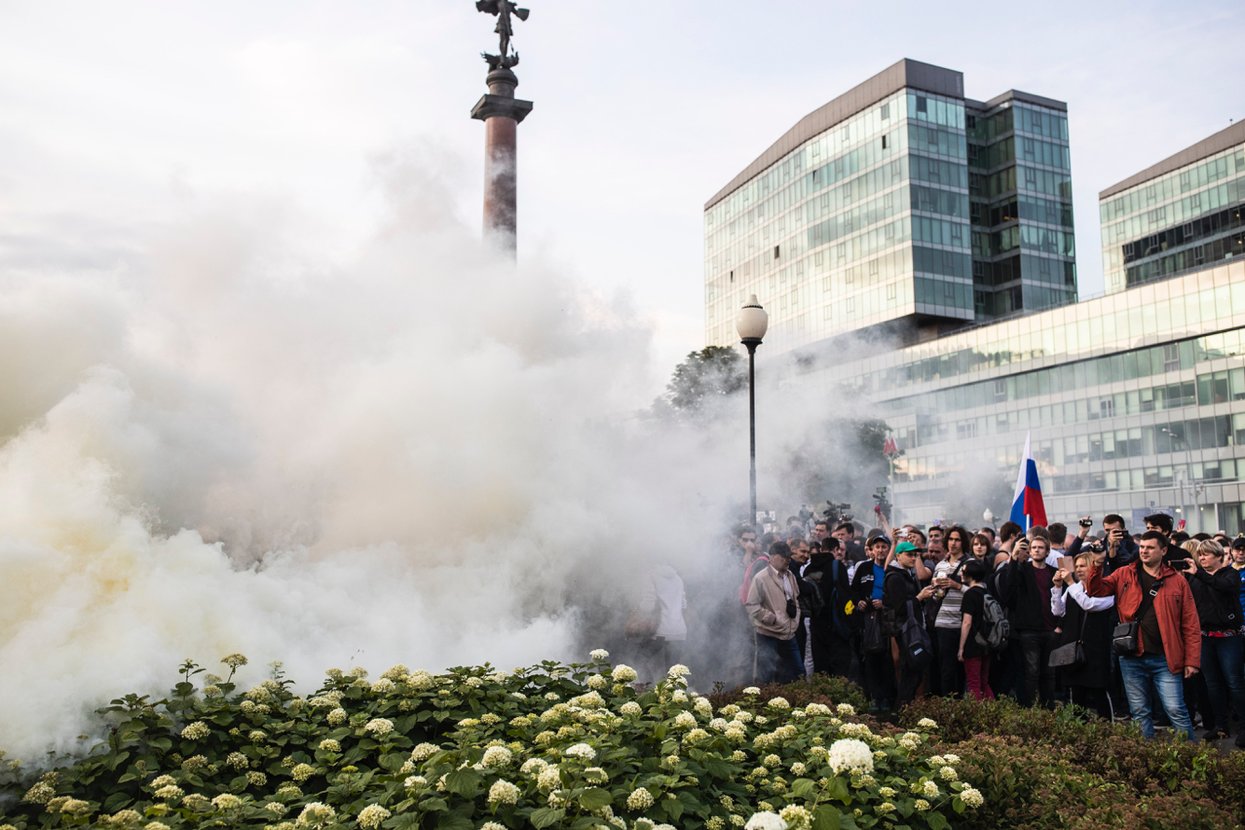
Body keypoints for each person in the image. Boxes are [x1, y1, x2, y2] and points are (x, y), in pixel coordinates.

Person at [1084, 530, 1201, 740]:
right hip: (1131, 657)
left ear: (1163, 550)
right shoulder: (1124, 574)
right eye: (1142, 547)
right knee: (1140, 713)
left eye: (1150, 547)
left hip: (1166, 657)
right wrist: (1097, 564)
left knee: (1176, 710)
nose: (1144, 551)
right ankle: (1145, 761)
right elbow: (1095, 591)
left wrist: (1192, 660)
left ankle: (1189, 759)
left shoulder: (1177, 580)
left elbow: (1190, 623)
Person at [1178, 539, 1245, 746]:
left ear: (1219, 556)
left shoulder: (1230, 574)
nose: (1202, 558)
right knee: (1212, 684)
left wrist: (1197, 573)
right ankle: (1220, 725)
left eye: (1207, 554)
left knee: (1234, 683)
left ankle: (1243, 727)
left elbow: (1222, 586)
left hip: (1229, 638)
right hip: (1205, 638)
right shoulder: (1195, 579)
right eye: (1200, 554)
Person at [1050, 552, 1116, 717]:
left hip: (1096, 649)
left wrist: (1070, 582)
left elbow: (1088, 605)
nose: (1079, 570)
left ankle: (1108, 730)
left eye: (1083, 566)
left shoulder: (1106, 589)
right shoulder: (1074, 588)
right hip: (1073, 649)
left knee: (1099, 692)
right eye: (1077, 566)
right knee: (1075, 694)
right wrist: (1058, 588)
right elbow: (1058, 611)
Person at [1000, 535, 1059, 706]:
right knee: (1031, 671)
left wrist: (1059, 626)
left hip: (1050, 628)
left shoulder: (1054, 572)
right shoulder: (1022, 569)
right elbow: (1008, 590)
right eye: (1034, 548)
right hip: (1028, 630)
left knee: (1049, 673)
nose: (1037, 550)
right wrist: (1014, 558)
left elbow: (1064, 598)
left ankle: (1048, 708)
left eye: (1041, 547)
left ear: (1047, 551)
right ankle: (1028, 709)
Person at [884, 541, 937, 705]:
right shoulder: (895, 577)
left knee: (915, 670)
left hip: (912, 627)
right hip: (904, 630)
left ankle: (907, 708)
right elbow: (899, 607)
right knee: (910, 670)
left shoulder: (908, 574)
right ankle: (903, 709)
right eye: (909, 554)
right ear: (898, 556)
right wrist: (919, 597)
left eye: (915, 555)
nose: (913, 558)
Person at [745, 541, 803, 683]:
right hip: (768, 633)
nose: (788, 560)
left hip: (789, 632)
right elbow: (751, 605)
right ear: (773, 557)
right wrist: (770, 618)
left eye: (789, 556)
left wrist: (796, 619)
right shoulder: (761, 577)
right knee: (766, 674)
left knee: (798, 671)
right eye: (784, 557)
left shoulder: (791, 576)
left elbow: (796, 598)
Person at [852, 535, 896, 710]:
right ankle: (874, 697)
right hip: (868, 620)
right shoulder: (863, 568)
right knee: (870, 659)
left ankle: (887, 698)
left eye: (884, 547)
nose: (880, 550)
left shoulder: (892, 568)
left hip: (887, 619)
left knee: (887, 660)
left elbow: (898, 593)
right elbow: (853, 590)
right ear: (871, 550)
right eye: (877, 547)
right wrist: (858, 602)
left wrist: (884, 603)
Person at [931, 525, 971, 696]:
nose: (953, 543)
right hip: (943, 622)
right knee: (945, 667)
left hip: (962, 622)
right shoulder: (940, 565)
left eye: (957, 540)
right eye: (951, 540)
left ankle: (959, 703)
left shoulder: (969, 564)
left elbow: (976, 593)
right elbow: (935, 597)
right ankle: (946, 704)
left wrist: (957, 586)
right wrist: (934, 589)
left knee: (961, 667)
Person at [957, 559, 995, 700]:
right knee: (984, 682)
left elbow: (967, 622)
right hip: (987, 642)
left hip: (973, 643)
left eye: (964, 571)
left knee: (973, 682)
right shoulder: (987, 593)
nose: (961, 573)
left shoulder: (970, 594)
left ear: (970, 575)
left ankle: (976, 715)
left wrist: (961, 648)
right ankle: (994, 712)